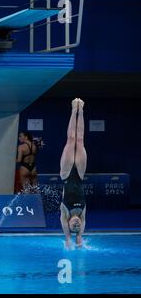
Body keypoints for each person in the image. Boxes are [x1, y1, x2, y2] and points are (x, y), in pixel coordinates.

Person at [60, 98, 87, 248]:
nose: (76, 224)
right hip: (80, 175)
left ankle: (73, 110)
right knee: (80, 140)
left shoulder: (65, 211)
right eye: (78, 226)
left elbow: (67, 233)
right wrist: (79, 237)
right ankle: (81, 110)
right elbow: (81, 231)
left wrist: (69, 239)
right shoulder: (82, 212)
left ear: (69, 224)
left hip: (66, 174)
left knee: (71, 139)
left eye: (73, 226)